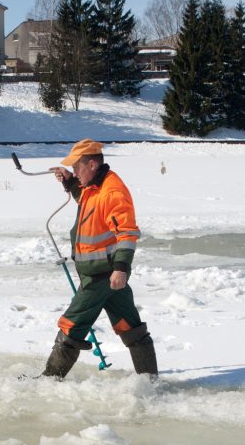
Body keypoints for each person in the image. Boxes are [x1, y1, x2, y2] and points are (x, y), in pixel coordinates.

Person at [41, 138, 158, 379]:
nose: (75, 171)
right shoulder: (94, 187)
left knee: (71, 325)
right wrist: (70, 181)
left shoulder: (112, 192)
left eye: (77, 168)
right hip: (107, 275)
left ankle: (50, 379)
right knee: (130, 326)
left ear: (92, 164)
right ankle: (150, 380)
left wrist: (121, 269)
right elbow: (86, 198)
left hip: (102, 276)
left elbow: (127, 233)